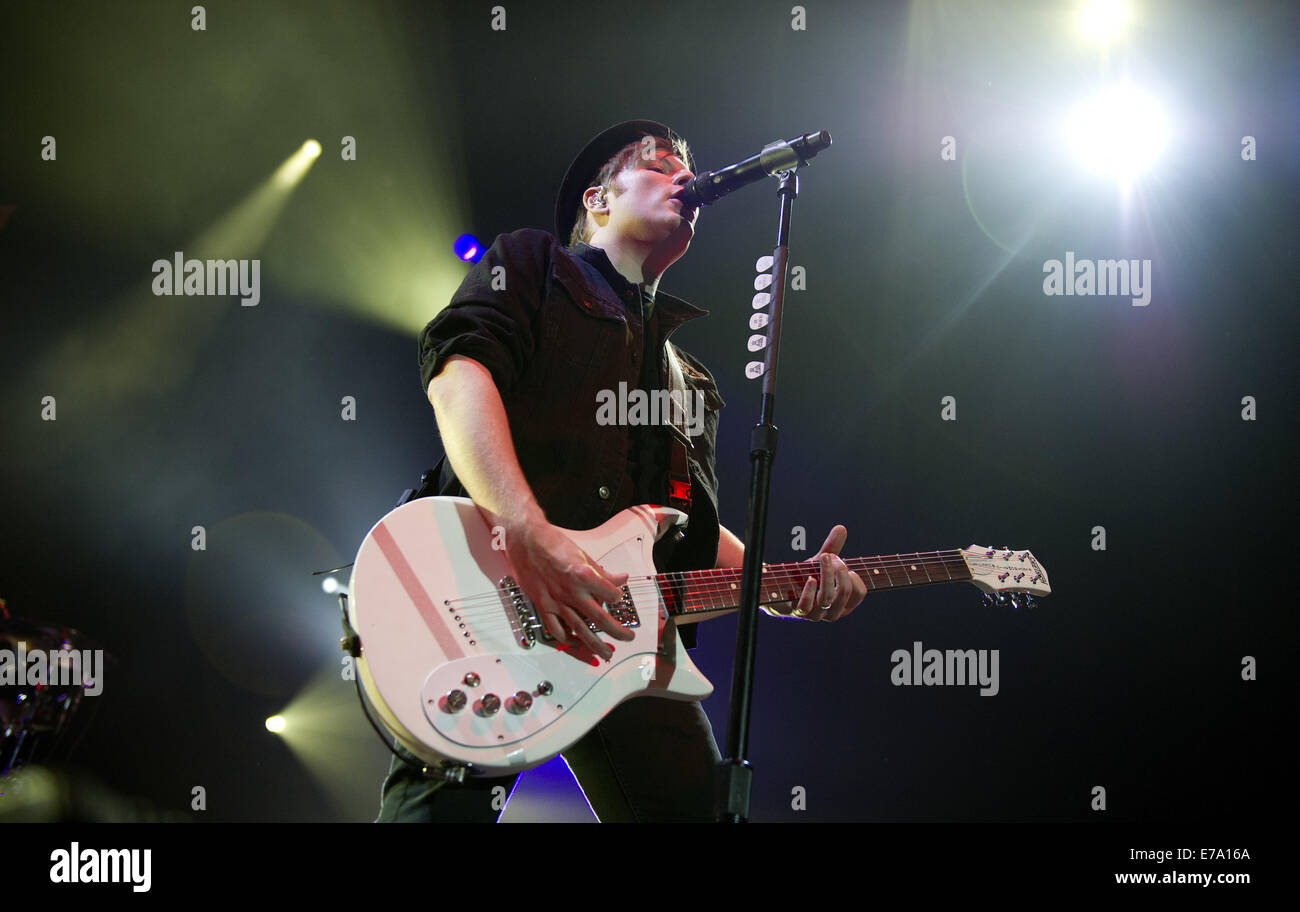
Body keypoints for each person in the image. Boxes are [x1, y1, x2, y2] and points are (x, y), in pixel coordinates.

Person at [375, 120, 867, 823]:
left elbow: (686, 530)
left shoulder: (687, 376)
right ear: (599, 201)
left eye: (683, 167)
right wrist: (528, 530)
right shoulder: (533, 263)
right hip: (487, 596)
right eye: (661, 164)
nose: (684, 178)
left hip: (624, 638)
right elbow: (459, 376)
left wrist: (782, 584)